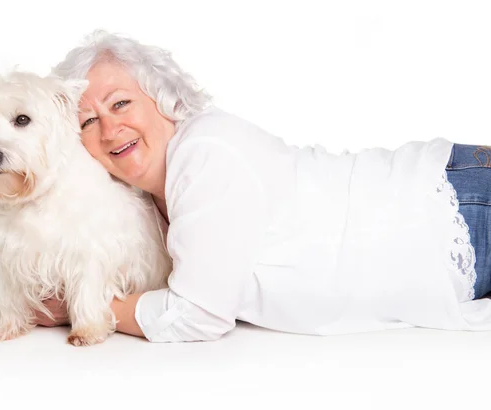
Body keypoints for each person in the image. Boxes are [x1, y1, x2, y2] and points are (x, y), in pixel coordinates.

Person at [34, 29, 491, 342]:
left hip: (453, 209)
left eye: (121, 103)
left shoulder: (204, 151)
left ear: (162, 98)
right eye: (89, 120)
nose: (110, 128)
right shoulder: (145, 202)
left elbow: (197, 314)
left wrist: (88, 307)